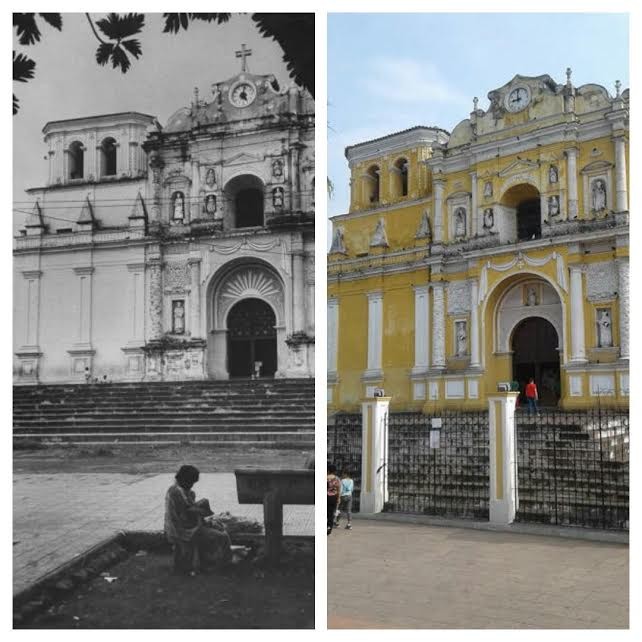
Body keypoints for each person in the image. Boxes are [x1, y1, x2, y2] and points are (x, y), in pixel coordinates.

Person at [164, 464, 231, 574]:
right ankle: (220, 565)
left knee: (217, 528)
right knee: (222, 536)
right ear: (184, 479)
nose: (191, 485)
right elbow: (187, 514)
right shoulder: (176, 492)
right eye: (191, 482)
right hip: (182, 530)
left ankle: (208, 562)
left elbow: (189, 510)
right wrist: (203, 513)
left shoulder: (180, 490)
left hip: (185, 526)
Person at [327, 463, 341, 535]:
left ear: (328, 470)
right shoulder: (337, 478)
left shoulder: (326, 477)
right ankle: (329, 528)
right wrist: (338, 498)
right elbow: (339, 489)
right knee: (331, 513)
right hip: (334, 497)